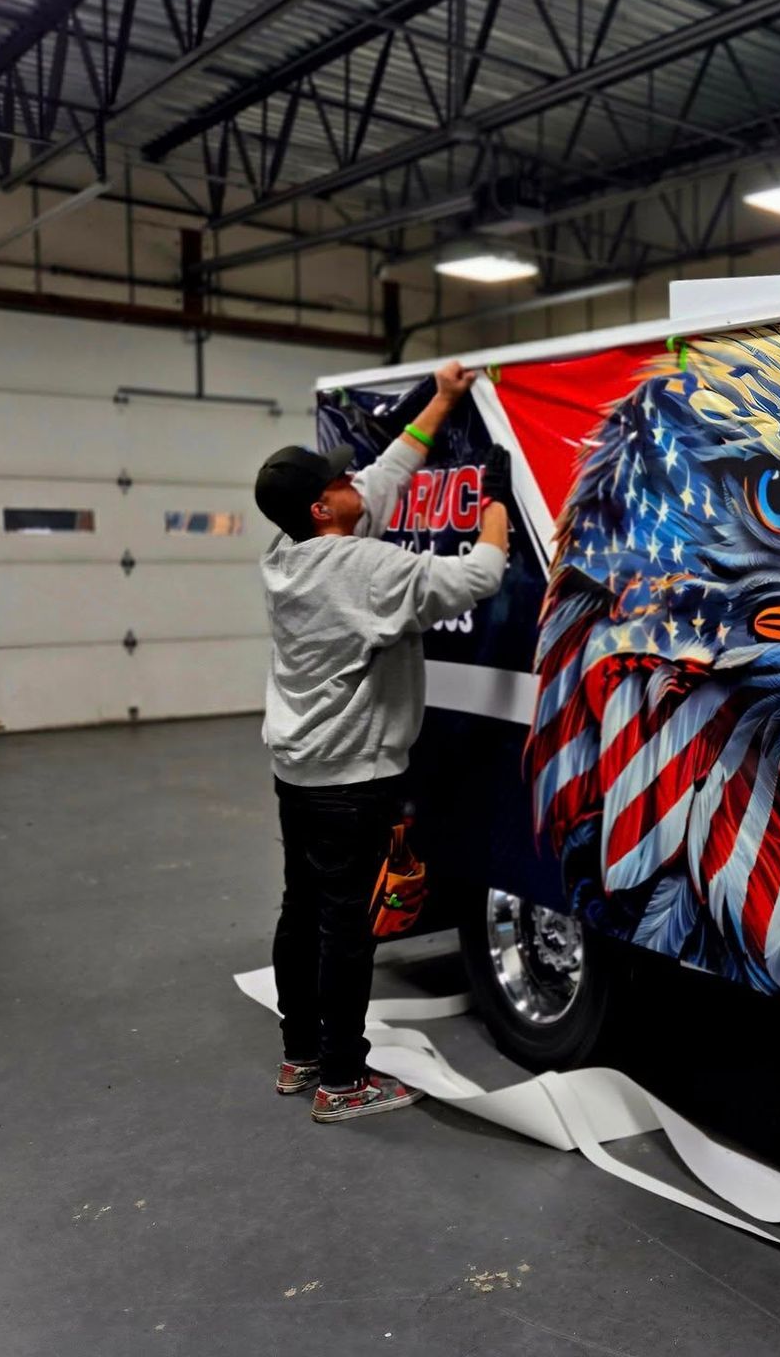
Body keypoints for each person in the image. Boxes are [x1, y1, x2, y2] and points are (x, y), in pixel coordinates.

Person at [252, 360, 513, 1123]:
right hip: (351, 782)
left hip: (298, 770)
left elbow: (386, 476)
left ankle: (301, 1056)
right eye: (339, 482)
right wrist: (495, 501)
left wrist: (442, 399)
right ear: (323, 506)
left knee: (301, 912)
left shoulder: (288, 556)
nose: (353, 482)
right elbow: (480, 577)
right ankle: (342, 1079)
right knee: (344, 927)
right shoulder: (365, 568)